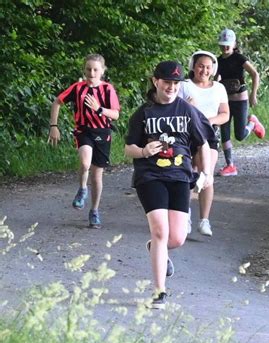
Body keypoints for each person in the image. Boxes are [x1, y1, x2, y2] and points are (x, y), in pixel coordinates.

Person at [125, 61, 214, 309]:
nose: (171, 88)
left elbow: (202, 144)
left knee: (176, 237)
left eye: (176, 84)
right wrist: (143, 151)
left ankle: (157, 249)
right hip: (150, 177)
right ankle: (159, 291)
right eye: (167, 83)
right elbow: (128, 149)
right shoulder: (143, 113)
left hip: (180, 177)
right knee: (160, 231)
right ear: (156, 81)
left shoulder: (187, 110)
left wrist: (206, 173)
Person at [48, 54, 120, 228]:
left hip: (103, 132)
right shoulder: (77, 88)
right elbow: (57, 102)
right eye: (88, 69)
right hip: (83, 131)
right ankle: (82, 189)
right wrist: (54, 126)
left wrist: (99, 109)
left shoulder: (108, 89)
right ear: (84, 70)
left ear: (102, 71)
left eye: (95, 69)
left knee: (97, 175)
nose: (92, 73)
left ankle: (94, 211)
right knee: (85, 163)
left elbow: (116, 114)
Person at [179, 50, 229, 236]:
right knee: (187, 175)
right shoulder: (184, 85)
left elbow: (225, 114)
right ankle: (185, 216)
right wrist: (187, 106)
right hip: (186, 135)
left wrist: (210, 120)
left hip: (209, 135)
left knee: (206, 175)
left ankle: (204, 220)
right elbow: (173, 107)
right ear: (193, 66)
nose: (204, 70)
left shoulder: (219, 88)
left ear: (213, 69)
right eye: (201, 66)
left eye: (208, 67)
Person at [216, 28, 266, 177]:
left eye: (228, 45)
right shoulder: (218, 61)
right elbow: (216, 78)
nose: (225, 48)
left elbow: (255, 74)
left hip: (240, 99)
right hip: (225, 101)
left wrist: (253, 95)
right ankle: (230, 165)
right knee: (224, 132)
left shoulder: (239, 58)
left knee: (240, 135)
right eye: (223, 44)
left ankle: (252, 122)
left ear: (233, 44)